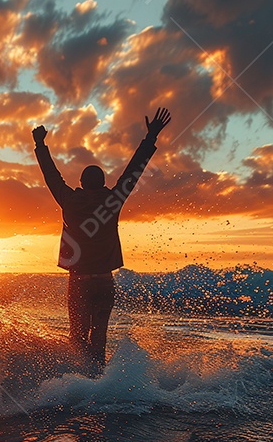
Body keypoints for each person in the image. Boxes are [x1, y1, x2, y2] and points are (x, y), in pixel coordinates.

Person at [33, 107, 171, 372]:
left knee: (77, 339)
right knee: (99, 340)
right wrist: (150, 137)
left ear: (82, 183)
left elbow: (51, 176)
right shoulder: (113, 200)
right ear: (104, 182)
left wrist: (40, 144)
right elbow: (134, 172)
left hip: (80, 283)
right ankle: (98, 385)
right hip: (106, 283)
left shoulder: (70, 200)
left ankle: (81, 387)